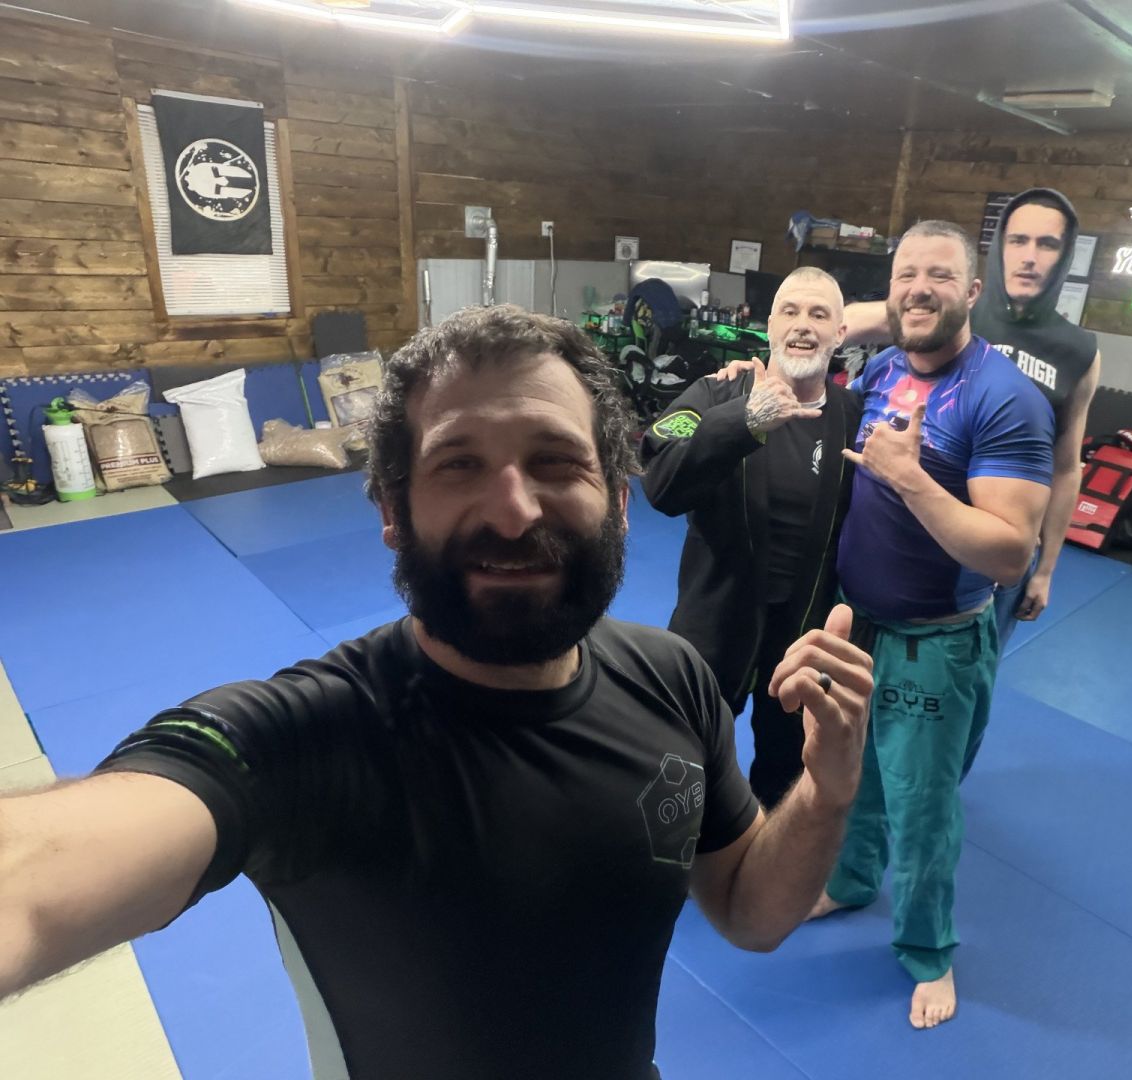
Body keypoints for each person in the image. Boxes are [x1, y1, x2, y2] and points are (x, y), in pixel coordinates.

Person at [0, 306, 874, 1080]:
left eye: (554, 461)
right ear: (393, 508)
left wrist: (826, 790)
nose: (514, 510)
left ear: (615, 501)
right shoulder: (306, 739)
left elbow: (751, 911)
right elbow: (33, 876)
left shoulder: (672, 678)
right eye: (459, 464)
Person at [814, 221, 1054, 1030]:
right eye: (906, 274)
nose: (920, 288)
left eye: (940, 276)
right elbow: (832, 330)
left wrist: (911, 479)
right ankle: (850, 882)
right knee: (853, 778)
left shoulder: (1005, 398)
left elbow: (1009, 553)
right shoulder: (885, 367)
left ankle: (927, 951)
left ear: (973, 291)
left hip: (937, 641)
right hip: (860, 625)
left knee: (921, 808)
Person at [642, 267, 863, 809]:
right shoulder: (716, 391)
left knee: (786, 770)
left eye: (819, 314)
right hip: (715, 620)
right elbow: (660, 482)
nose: (803, 325)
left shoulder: (853, 415)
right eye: (790, 311)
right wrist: (743, 420)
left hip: (802, 631)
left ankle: (767, 849)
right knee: (682, 757)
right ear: (770, 326)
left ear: (839, 334)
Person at [844, 189, 1100, 653]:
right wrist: (778, 364)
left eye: (1047, 244)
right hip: (865, 597)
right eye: (1018, 240)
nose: (1029, 256)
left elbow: (1065, 467)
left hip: (972, 568)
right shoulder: (903, 346)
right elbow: (839, 320)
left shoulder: (1071, 354)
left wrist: (1045, 569)